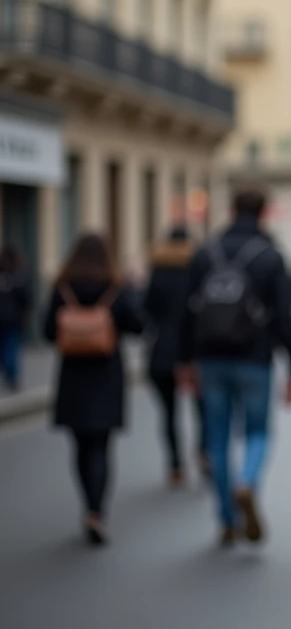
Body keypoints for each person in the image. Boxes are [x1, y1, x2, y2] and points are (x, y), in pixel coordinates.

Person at [181, 188, 291, 547]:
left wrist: (185, 361)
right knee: (257, 432)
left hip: (210, 358)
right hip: (255, 360)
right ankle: (247, 481)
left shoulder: (205, 253)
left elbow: (187, 312)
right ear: (263, 213)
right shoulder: (270, 257)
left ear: (230, 210)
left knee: (217, 438)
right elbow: (284, 317)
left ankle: (225, 519)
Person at [44, 233, 146, 545]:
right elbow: (138, 325)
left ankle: (86, 503)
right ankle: (96, 511)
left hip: (73, 375)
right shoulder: (115, 289)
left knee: (80, 446)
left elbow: (48, 330)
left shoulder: (62, 289)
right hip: (105, 374)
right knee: (102, 446)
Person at [144, 227, 207, 486]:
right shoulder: (198, 272)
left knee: (168, 413)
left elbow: (146, 310)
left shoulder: (158, 273)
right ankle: (204, 451)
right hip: (195, 352)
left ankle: (175, 465)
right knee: (203, 410)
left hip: (162, 351)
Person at [0, 245, 31, 391]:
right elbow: (26, 298)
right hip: (14, 318)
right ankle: (11, 376)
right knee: (11, 347)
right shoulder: (19, 274)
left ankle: (8, 373)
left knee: (5, 346)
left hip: (5, 318)